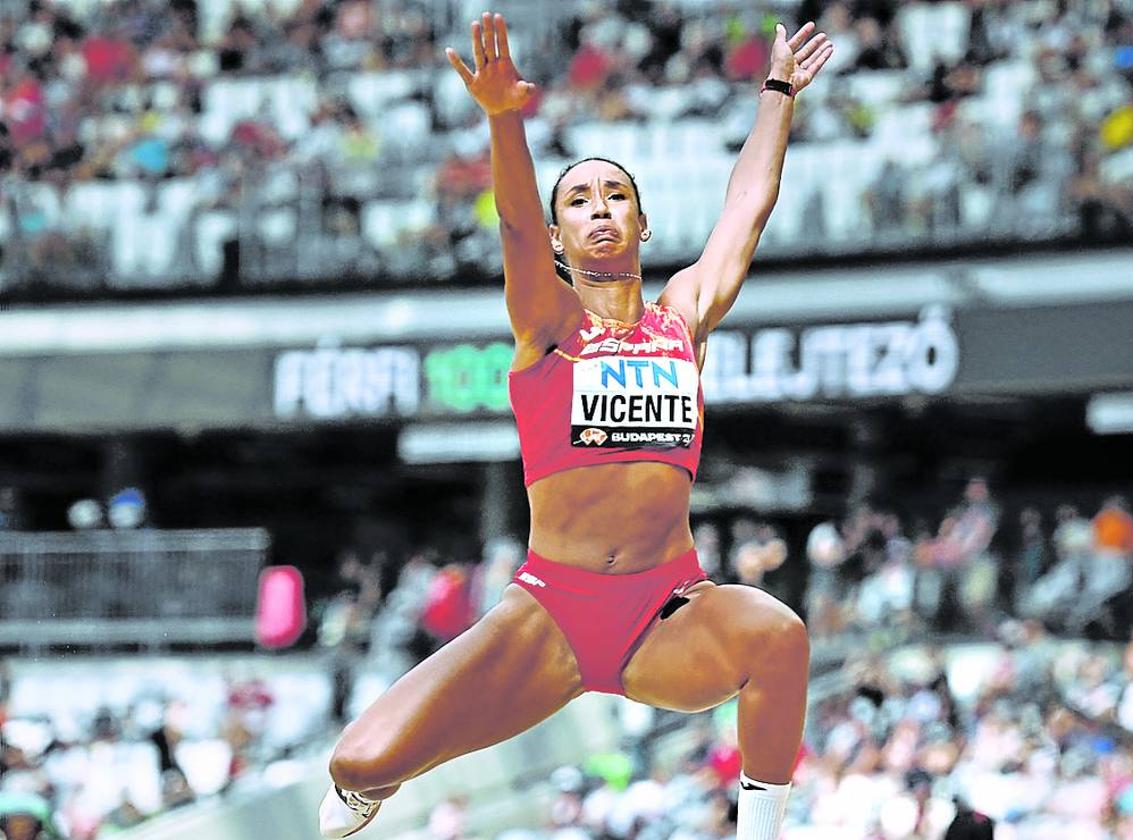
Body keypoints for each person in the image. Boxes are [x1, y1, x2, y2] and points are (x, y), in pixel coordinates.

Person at [319, 11, 833, 839]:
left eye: (617, 195)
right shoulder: (549, 327)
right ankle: (368, 786)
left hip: (667, 610)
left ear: (643, 224)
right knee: (357, 763)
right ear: (561, 238)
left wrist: (777, 93)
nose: (600, 210)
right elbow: (515, 227)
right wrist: (503, 119)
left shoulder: (682, 321)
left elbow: (747, 208)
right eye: (580, 201)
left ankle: (763, 830)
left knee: (779, 634)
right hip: (548, 616)